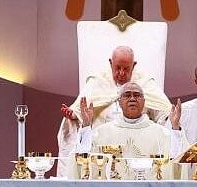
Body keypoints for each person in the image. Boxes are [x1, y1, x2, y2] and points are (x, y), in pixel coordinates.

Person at [56, 45, 171, 175]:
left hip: (140, 147)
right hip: (104, 146)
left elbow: (164, 112)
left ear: (134, 65)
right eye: (117, 68)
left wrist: (169, 119)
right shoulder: (97, 82)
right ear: (111, 63)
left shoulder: (145, 84)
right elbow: (80, 109)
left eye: (126, 69)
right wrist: (74, 115)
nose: (121, 73)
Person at [72, 83, 187, 179]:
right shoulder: (101, 133)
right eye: (127, 95)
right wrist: (86, 126)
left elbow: (177, 161)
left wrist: (175, 128)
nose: (132, 98)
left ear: (144, 101)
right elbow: (82, 159)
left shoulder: (162, 134)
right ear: (119, 102)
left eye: (137, 95)